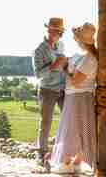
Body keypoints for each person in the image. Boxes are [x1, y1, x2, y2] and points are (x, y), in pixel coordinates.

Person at [49, 22, 98, 174]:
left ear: (82, 41)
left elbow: (76, 81)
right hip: (75, 97)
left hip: (79, 98)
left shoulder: (89, 59)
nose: (76, 41)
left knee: (72, 129)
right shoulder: (84, 57)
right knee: (76, 129)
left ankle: (67, 162)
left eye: (77, 39)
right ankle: (75, 162)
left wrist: (64, 67)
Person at [33, 17, 67, 161]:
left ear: (60, 33)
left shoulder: (61, 46)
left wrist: (66, 65)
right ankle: (41, 153)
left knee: (67, 119)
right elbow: (38, 74)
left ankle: (65, 151)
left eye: (58, 32)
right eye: (52, 30)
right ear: (48, 30)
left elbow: (63, 66)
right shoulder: (39, 50)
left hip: (63, 89)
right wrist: (54, 65)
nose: (55, 34)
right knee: (46, 122)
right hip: (47, 90)